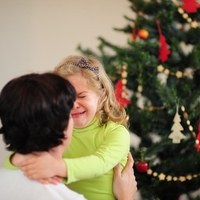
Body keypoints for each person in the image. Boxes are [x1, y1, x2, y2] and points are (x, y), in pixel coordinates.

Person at [6, 55, 136, 200]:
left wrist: (57, 167)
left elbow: (100, 162)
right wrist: (21, 165)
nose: (74, 104)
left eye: (82, 96)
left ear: (101, 95)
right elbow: (24, 156)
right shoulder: (57, 132)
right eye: (68, 98)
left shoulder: (116, 132)